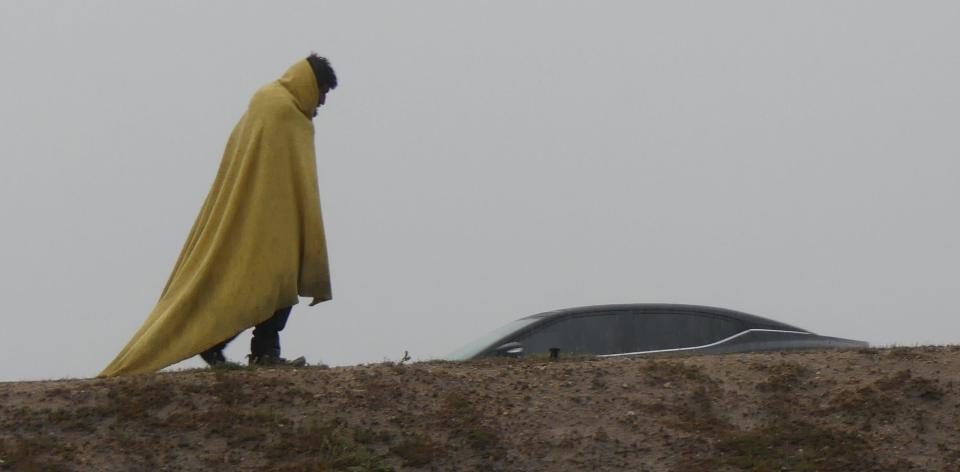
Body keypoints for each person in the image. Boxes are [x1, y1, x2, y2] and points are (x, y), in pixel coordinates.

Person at [99, 54, 337, 377]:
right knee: (272, 284)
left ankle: (234, 346)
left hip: (259, 219)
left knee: (261, 286)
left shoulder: (266, 99)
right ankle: (256, 350)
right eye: (322, 91)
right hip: (269, 223)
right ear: (311, 83)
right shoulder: (286, 113)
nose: (322, 101)